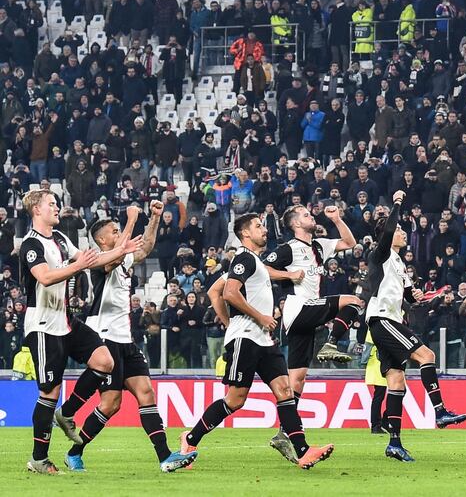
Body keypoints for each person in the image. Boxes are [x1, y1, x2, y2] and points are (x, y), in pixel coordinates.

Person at [178, 214, 334, 469]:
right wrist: (251, 319)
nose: (264, 230)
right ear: (246, 234)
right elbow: (227, 293)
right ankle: (191, 438)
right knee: (236, 400)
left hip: (262, 339)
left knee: (284, 391)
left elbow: (214, 291)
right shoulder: (243, 258)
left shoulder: (256, 262)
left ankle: (303, 451)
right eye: (258, 226)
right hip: (246, 337)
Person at [58, 202, 196, 472]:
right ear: (101, 240)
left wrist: (154, 218)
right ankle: (74, 452)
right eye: (115, 230)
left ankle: (165, 457)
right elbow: (118, 256)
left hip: (125, 339)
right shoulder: (98, 261)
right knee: (110, 405)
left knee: (146, 393)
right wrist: (132, 219)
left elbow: (144, 248)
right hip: (104, 339)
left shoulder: (123, 258)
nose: (120, 232)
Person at [20, 189, 139, 474]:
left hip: (66, 320)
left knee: (104, 361)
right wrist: (77, 265)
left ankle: (68, 412)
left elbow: (92, 259)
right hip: (43, 324)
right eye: (51, 204)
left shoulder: (60, 239)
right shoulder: (31, 244)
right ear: (37, 209)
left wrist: (120, 250)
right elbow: (45, 277)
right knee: (50, 390)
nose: (57, 207)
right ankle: (39, 459)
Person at [367, 190, 466, 462]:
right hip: (381, 319)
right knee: (427, 355)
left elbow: (410, 295)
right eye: (399, 230)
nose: (401, 233)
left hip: (391, 319)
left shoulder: (399, 263)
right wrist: (397, 202)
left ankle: (394, 444)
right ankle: (440, 411)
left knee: (396, 382)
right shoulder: (381, 254)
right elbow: (388, 228)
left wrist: (417, 296)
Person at [264, 203, 362, 453]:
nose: (312, 216)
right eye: (306, 215)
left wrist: (338, 219)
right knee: (354, 301)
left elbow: (349, 242)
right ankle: (331, 343)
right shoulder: (288, 249)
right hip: (299, 308)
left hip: (305, 317)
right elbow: (262, 268)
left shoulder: (319, 245)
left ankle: (284, 431)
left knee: (297, 379)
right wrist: (288, 275)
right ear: (296, 223)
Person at [363, 329, 388, 434]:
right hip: (378, 363)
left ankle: (381, 423)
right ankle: (377, 424)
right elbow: (371, 344)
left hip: (379, 362)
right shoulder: (376, 327)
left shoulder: (373, 326)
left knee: (379, 395)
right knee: (379, 394)